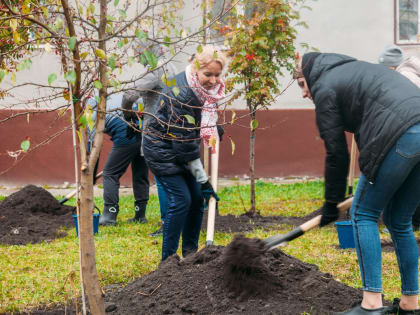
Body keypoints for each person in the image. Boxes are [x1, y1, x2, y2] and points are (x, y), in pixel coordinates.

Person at [294, 52, 420, 315]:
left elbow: (337, 153)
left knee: (363, 213)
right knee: (399, 220)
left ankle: (371, 303)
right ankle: (411, 303)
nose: (305, 94)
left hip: (399, 134)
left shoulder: (326, 87)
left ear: (309, 75)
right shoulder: (357, 71)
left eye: (302, 85)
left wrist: (331, 203)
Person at [142, 45, 226, 261]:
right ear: (195, 68)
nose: (214, 81)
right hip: (161, 150)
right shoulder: (184, 92)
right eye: (208, 74)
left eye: (217, 75)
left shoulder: (202, 90)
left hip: (180, 146)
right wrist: (203, 179)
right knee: (182, 200)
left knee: (197, 199)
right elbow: (185, 146)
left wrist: (213, 129)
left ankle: (190, 255)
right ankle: (168, 261)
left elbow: (194, 126)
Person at [121, 42, 177, 235]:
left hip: (157, 130)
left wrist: (126, 114)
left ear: (147, 51)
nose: (137, 59)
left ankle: (167, 223)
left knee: (162, 178)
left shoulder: (155, 68)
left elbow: (130, 94)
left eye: (138, 54)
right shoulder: (171, 65)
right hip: (174, 127)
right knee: (173, 176)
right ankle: (177, 219)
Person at [88, 94, 149, 225]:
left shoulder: (93, 116)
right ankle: (140, 215)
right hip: (146, 132)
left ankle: (109, 215)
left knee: (110, 174)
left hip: (126, 134)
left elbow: (94, 149)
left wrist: (90, 175)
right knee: (140, 173)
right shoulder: (114, 98)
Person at [378, 44, 420, 232]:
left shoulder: (405, 78)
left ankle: (404, 222)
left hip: (411, 134)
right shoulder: (411, 74)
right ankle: (414, 221)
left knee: (403, 178)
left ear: (391, 67)